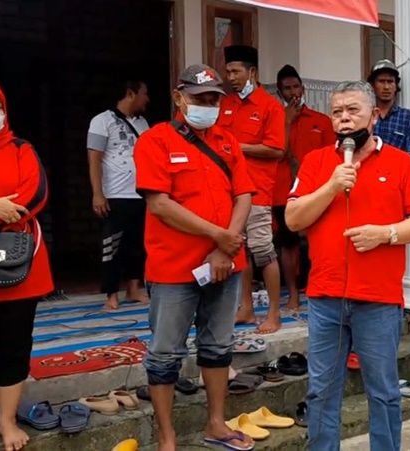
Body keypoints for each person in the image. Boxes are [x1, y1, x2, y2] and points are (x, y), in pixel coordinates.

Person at [286, 80, 410, 451]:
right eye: (337, 112)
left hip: (378, 301)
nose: (344, 119)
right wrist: (331, 187)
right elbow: (293, 219)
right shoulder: (318, 162)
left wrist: (385, 234)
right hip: (326, 297)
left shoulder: (401, 164)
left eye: (353, 110)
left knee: (383, 392)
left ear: (375, 114)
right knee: (321, 391)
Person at [133, 65, 255, 451]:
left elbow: (244, 195)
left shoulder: (227, 142)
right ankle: (167, 437)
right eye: (200, 98)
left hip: (226, 264)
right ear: (179, 98)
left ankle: (216, 424)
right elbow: (160, 205)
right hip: (173, 270)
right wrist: (218, 235)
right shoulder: (156, 141)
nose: (208, 105)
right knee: (166, 352)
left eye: (214, 99)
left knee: (218, 346)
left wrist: (225, 245)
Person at [0, 75, 53, 451]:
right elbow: (2, 205)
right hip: (5, 238)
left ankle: (7, 422)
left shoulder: (20, 147)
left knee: (13, 347)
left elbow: (36, 192)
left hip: (18, 268)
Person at [217, 45, 286, 333]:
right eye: (228, 71)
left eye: (236, 71)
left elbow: (276, 149)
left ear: (252, 72)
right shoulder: (226, 103)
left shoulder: (270, 106)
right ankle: (245, 309)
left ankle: (273, 313)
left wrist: (236, 147)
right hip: (229, 191)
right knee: (238, 250)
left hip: (257, 191)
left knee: (263, 251)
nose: (230, 77)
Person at [272, 64, 335, 310]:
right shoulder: (275, 120)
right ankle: (293, 295)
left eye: (296, 86)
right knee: (287, 244)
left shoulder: (322, 121)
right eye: (287, 88)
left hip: (316, 192)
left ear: (303, 88)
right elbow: (278, 153)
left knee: (318, 240)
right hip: (282, 191)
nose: (292, 92)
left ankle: (318, 289)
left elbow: (333, 156)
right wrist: (286, 121)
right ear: (279, 92)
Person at [87, 80, 150, 310]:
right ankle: (111, 295)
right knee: (111, 247)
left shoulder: (143, 123)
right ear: (130, 93)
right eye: (144, 93)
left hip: (141, 194)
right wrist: (98, 194)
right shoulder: (102, 121)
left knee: (138, 244)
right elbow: (94, 159)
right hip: (114, 195)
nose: (147, 98)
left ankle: (133, 289)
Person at [368, 59, 410, 157]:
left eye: (390, 81)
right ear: (373, 86)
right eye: (381, 81)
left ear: (396, 86)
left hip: (397, 170)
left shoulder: (408, 118)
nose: (386, 87)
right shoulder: (365, 115)